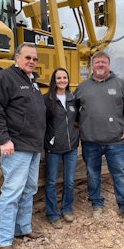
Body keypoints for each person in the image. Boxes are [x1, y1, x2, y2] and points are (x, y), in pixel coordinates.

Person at [0, 43, 46, 249]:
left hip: (33, 146)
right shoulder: (4, 77)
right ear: (17, 57)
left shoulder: (32, 82)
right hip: (16, 146)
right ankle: (4, 241)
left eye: (35, 59)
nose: (32, 61)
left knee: (29, 189)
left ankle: (23, 228)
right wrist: (3, 139)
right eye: (28, 57)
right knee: (12, 192)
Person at [74, 51, 124, 230]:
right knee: (93, 174)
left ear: (108, 65)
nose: (100, 65)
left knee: (120, 173)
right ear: (92, 66)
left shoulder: (120, 85)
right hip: (90, 142)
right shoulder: (82, 87)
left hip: (115, 142)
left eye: (103, 62)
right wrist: (77, 127)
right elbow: (72, 109)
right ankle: (96, 204)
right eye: (97, 63)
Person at [43, 68, 79, 229]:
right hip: (54, 148)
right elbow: (41, 122)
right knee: (51, 182)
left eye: (65, 77)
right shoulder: (47, 99)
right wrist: (47, 140)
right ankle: (52, 214)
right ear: (54, 80)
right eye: (59, 78)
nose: (62, 80)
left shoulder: (73, 99)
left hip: (71, 147)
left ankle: (66, 209)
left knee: (69, 181)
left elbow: (78, 120)